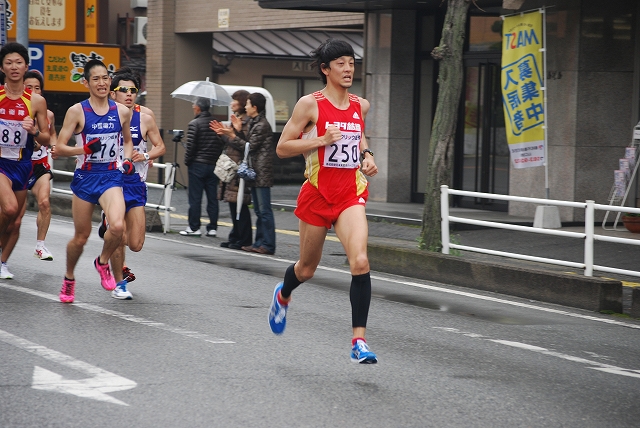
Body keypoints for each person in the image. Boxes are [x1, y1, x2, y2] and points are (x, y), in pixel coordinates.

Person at [267, 39, 379, 364]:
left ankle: (359, 341)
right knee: (306, 269)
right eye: (341, 64)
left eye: (352, 63)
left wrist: (367, 154)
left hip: (350, 194)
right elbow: (282, 147)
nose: (348, 69)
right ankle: (283, 294)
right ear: (325, 69)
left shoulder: (361, 105)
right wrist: (320, 140)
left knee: (360, 262)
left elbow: (358, 134)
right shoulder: (309, 105)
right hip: (317, 194)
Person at [51, 59, 134, 303]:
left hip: (110, 176)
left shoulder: (122, 111)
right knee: (81, 237)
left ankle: (102, 262)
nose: (102, 83)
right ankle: (69, 278)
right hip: (85, 177)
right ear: (86, 83)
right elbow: (59, 148)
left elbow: (128, 141)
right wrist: (84, 149)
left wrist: (127, 159)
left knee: (117, 227)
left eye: (105, 78)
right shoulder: (77, 111)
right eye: (96, 79)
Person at [105, 68, 165, 299]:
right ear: (113, 93)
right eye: (124, 90)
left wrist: (146, 155)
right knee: (118, 234)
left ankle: (110, 234)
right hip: (111, 182)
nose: (129, 94)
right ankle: (119, 284)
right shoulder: (104, 115)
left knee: (136, 244)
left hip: (136, 183)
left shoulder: (145, 117)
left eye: (133, 90)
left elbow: (160, 146)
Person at [0, 43, 51, 279]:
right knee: (9, 208)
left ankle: (3, 262)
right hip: (1, 163)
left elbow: (47, 138)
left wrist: (33, 132)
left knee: (15, 221)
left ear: (26, 66)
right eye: (9, 63)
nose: (14, 67)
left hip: (22, 165)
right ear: (2, 67)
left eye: (18, 62)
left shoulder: (36, 102)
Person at [213, 93, 275, 254]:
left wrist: (233, 135)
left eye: (248, 104)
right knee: (259, 211)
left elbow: (250, 147)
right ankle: (259, 243)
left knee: (264, 211)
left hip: (261, 172)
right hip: (255, 171)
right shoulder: (255, 122)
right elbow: (247, 144)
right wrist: (237, 132)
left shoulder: (261, 125)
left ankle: (267, 244)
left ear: (254, 107)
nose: (246, 107)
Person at [210, 90, 252, 250]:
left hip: (239, 166)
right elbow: (233, 142)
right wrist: (223, 134)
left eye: (234, 100)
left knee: (240, 203)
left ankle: (244, 239)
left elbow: (244, 145)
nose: (231, 103)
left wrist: (231, 133)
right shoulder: (238, 119)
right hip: (231, 166)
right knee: (233, 202)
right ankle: (236, 236)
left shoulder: (246, 122)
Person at [23, 70, 57, 261]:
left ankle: (40, 246)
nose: (34, 91)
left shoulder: (48, 114)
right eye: (29, 88)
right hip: (18, 164)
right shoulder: (15, 111)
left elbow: (52, 135)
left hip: (39, 165)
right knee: (14, 214)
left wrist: (54, 146)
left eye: (37, 88)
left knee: (44, 202)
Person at [180, 97, 224, 237]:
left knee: (195, 198)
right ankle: (212, 228)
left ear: (198, 107)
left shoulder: (195, 123)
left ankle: (194, 227)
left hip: (197, 165)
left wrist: (187, 161)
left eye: (194, 104)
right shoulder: (217, 123)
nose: (193, 106)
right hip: (213, 165)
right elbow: (222, 143)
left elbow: (191, 147)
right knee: (212, 198)